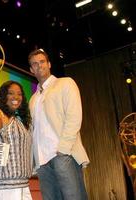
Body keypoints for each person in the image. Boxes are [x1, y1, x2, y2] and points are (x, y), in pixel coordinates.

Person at [28, 49, 90, 200]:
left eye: (42, 61)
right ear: (31, 70)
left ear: (49, 64)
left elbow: (74, 117)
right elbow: (33, 130)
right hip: (42, 162)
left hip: (62, 154)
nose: (39, 66)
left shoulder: (65, 83)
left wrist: (63, 148)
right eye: (34, 64)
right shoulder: (33, 99)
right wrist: (35, 160)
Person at [0, 80, 33, 200]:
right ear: (4, 96)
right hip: (6, 182)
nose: (16, 97)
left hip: (22, 182)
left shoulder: (17, 119)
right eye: (11, 93)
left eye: (19, 94)